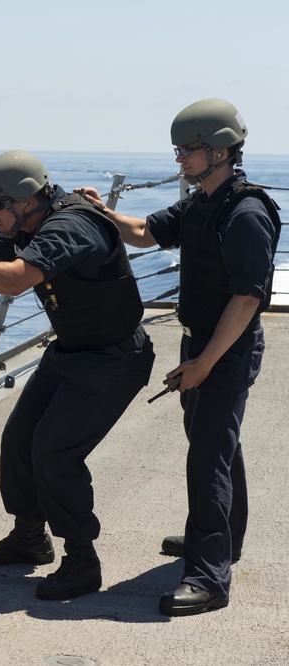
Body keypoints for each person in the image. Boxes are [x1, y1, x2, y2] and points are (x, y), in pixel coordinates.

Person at [0, 150, 155, 601]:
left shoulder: (70, 226)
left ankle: (83, 561)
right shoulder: (30, 223)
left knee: (55, 450)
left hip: (113, 359)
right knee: (20, 436)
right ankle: (29, 537)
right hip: (72, 350)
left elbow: (12, 279)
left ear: (26, 199)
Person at [76, 98, 281, 616]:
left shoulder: (246, 211)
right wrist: (99, 211)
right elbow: (146, 233)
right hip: (202, 344)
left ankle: (210, 576)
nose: (180, 159)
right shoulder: (199, 203)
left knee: (207, 457)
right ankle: (224, 541)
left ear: (220, 152)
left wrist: (207, 362)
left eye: (188, 150)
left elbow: (248, 297)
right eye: (179, 150)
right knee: (217, 447)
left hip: (225, 350)